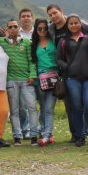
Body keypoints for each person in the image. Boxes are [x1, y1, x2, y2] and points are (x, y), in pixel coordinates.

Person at [47, 3, 88, 143]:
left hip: (82, 70)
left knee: (83, 102)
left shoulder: (76, 22)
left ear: (61, 11)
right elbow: (37, 34)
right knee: (70, 104)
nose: (53, 16)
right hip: (64, 71)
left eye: (55, 13)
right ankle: (75, 133)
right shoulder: (51, 28)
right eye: (50, 15)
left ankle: (85, 131)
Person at [56, 14, 88, 147]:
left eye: (76, 23)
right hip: (72, 79)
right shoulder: (63, 41)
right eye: (71, 23)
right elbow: (58, 59)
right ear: (67, 26)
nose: (74, 25)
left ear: (80, 24)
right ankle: (80, 136)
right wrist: (67, 67)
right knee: (76, 107)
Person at [0, 19, 39, 146]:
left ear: (18, 28)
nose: (13, 29)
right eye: (10, 27)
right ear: (7, 29)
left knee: (31, 107)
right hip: (11, 81)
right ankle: (17, 136)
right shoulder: (1, 42)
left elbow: (32, 61)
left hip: (26, 80)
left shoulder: (27, 42)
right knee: (14, 110)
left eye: (15, 26)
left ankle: (34, 135)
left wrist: (32, 75)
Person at [31, 18, 57, 146]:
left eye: (45, 28)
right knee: (42, 106)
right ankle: (46, 132)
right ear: (36, 30)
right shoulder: (33, 44)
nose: (42, 31)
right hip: (40, 79)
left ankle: (47, 135)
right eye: (39, 29)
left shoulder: (54, 40)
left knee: (49, 108)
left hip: (54, 77)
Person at [18, 8, 34, 139]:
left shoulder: (40, 31)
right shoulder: (15, 33)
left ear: (32, 18)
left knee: (37, 103)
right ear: (20, 19)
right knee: (22, 105)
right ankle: (25, 129)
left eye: (28, 16)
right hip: (21, 73)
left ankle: (38, 128)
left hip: (39, 71)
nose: (26, 18)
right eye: (23, 16)